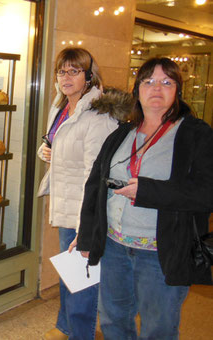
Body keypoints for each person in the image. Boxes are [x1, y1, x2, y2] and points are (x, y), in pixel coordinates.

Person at [77, 57, 213, 340]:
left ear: (178, 90)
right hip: (114, 247)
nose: (156, 88)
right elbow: (95, 187)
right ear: (137, 88)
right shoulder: (122, 133)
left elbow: (206, 193)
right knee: (114, 320)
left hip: (161, 252)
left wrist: (148, 192)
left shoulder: (196, 134)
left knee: (158, 328)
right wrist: (89, 237)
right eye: (148, 81)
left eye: (167, 82)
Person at [37, 47, 125, 340]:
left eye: (74, 71)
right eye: (62, 71)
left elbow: (96, 174)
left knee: (82, 279)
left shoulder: (97, 117)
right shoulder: (62, 107)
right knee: (71, 273)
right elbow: (58, 142)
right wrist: (48, 151)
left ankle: (79, 334)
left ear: (89, 76)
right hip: (67, 202)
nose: (66, 77)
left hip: (83, 210)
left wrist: (85, 226)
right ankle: (66, 326)